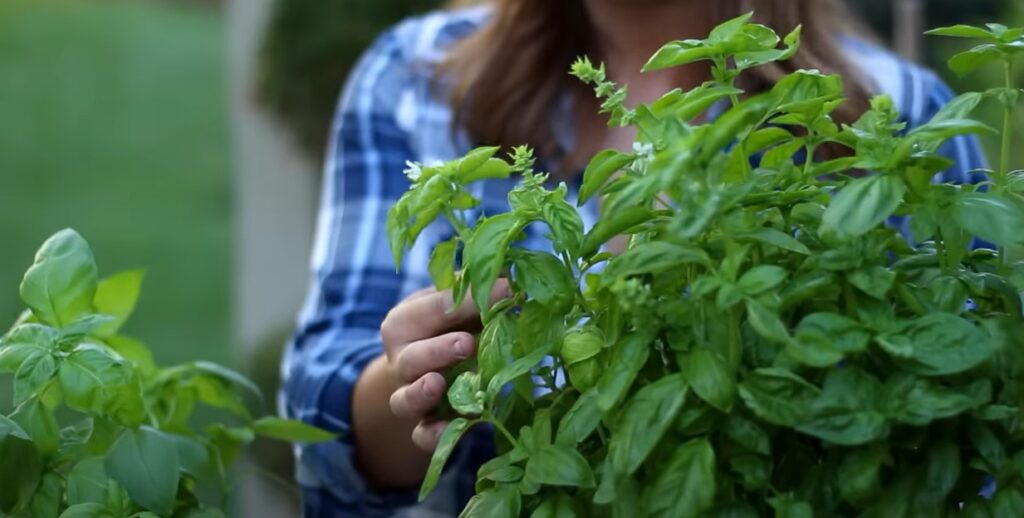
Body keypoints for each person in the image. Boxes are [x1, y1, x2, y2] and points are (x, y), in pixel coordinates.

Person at [280, 0, 988, 516]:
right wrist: (416, 379)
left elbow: (974, 429)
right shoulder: (416, 79)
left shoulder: (903, 115)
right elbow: (321, 424)